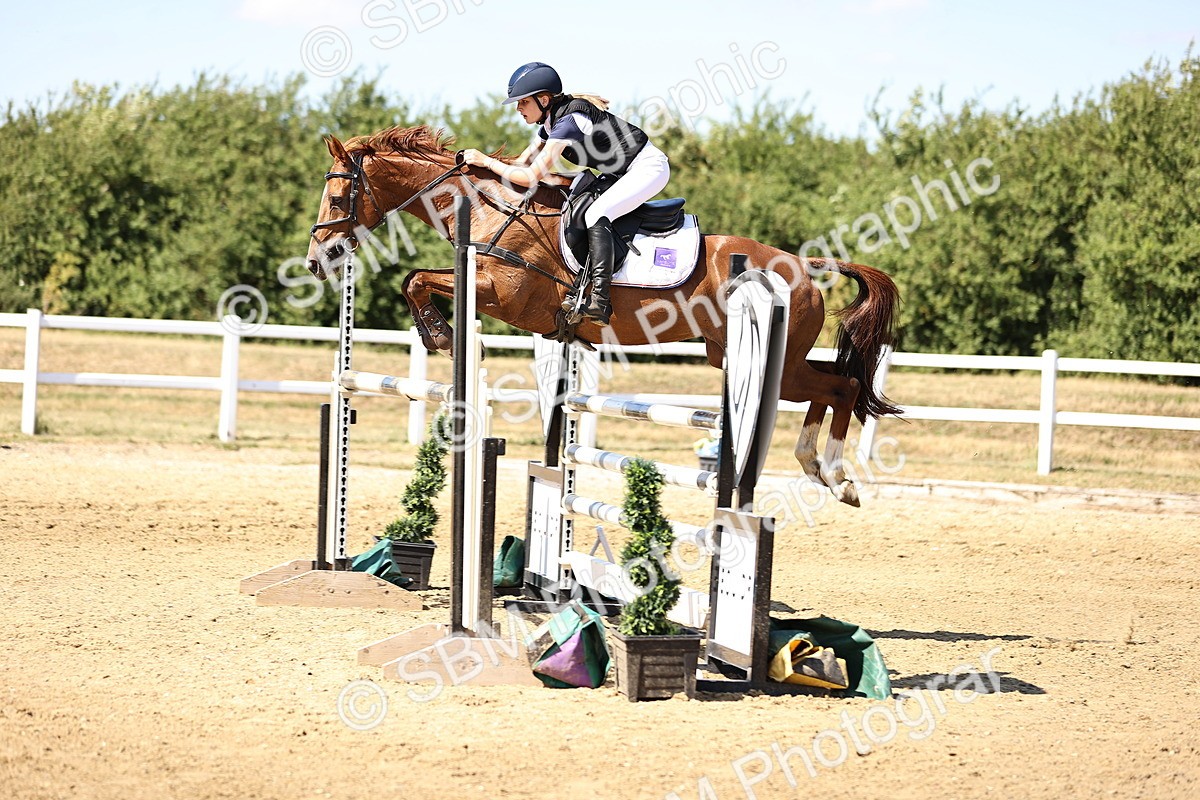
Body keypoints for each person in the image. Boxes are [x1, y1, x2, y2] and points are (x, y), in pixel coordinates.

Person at [460, 62, 671, 327]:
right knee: (573, 200)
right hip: (620, 172)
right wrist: (479, 170)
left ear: (543, 100)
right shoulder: (550, 124)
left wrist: (487, 161)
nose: (518, 108)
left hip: (648, 168)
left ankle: (600, 300)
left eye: (523, 102)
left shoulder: (570, 122)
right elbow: (522, 163)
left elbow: (530, 176)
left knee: (596, 213)